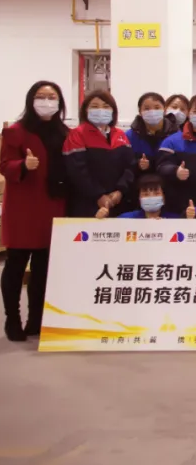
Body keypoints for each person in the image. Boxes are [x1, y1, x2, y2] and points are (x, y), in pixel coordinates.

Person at [0, 81, 68, 342]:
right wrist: (23, 165)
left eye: (52, 97)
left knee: (43, 268)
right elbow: (5, 165)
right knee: (16, 265)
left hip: (53, 206)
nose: (47, 101)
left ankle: (36, 319)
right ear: (31, 100)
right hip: (24, 208)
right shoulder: (16, 131)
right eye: (41, 96)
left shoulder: (65, 132)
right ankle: (12, 319)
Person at [62, 89, 135, 218]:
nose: (101, 110)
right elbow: (77, 170)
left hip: (117, 202)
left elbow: (130, 166)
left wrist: (120, 190)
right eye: (95, 106)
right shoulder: (77, 134)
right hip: (86, 203)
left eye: (106, 106)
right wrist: (98, 195)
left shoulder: (120, 135)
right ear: (85, 110)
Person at [124, 92, 178, 211]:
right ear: (140, 111)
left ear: (164, 109)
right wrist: (138, 165)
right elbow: (124, 165)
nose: (152, 112)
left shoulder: (176, 135)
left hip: (170, 193)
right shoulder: (129, 136)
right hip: (139, 194)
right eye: (147, 108)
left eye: (157, 107)